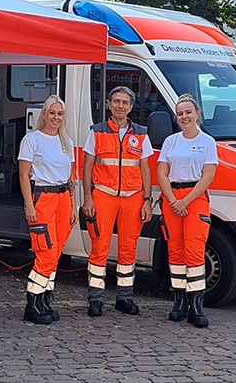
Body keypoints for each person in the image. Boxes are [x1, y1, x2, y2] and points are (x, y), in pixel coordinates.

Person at [81, 86, 154, 317]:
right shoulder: (97, 131)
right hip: (103, 195)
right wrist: (87, 198)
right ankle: (95, 300)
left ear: (131, 107)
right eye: (116, 101)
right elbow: (87, 167)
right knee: (99, 247)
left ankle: (125, 298)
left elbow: (145, 169)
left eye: (125, 102)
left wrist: (147, 199)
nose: (120, 106)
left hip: (133, 198)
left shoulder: (141, 133)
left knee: (128, 250)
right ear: (109, 105)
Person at [157, 94, 218, 328]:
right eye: (180, 113)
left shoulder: (207, 142)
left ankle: (196, 304)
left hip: (195, 198)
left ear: (197, 114)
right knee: (175, 252)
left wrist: (185, 202)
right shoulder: (170, 141)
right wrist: (174, 200)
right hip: (172, 198)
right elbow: (162, 172)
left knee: (194, 251)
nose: (184, 117)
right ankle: (179, 300)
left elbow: (208, 176)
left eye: (188, 112)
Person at [18, 94, 77, 324]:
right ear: (44, 114)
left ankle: (44, 300)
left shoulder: (67, 142)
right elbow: (23, 175)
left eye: (59, 114)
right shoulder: (32, 140)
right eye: (52, 113)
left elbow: (71, 177)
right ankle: (32, 303)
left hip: (63, 198)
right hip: (43, 197)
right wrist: (29, 205)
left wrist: (73, 205)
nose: (55, 117)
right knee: (46, 252)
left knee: (57, 252)